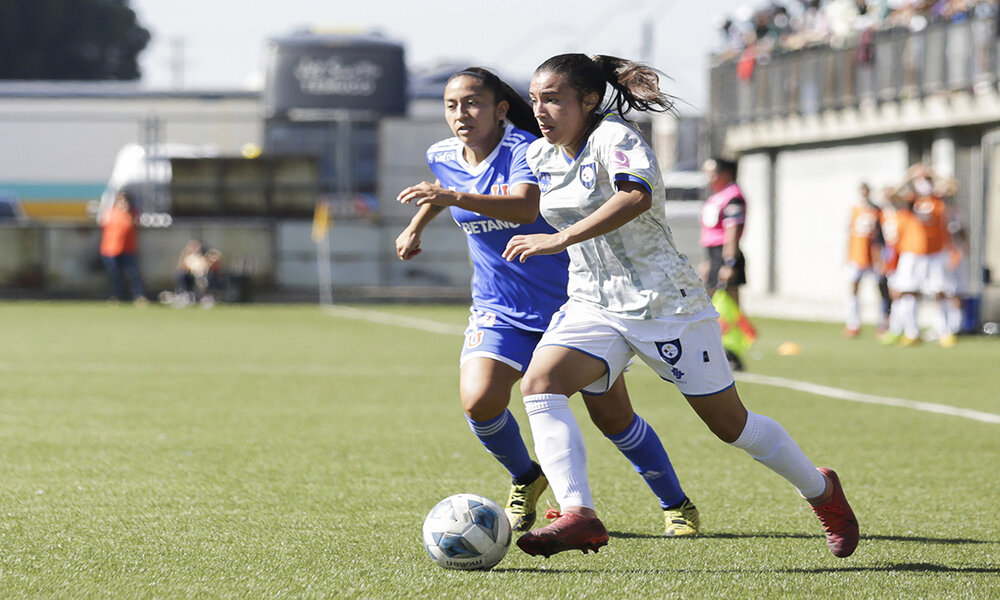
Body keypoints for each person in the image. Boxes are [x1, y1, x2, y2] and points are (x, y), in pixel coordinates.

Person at [502, 53, 858, 559]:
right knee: (540, 385)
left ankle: (822, 491)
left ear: (589, 101)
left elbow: (636, 197)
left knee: (730, 426)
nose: (540, 110)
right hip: (592, 302)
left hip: (665, 304)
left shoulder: (615, 137)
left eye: (554, 99)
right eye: (535, 99)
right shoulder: (541, 155)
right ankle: (579, 514)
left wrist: (560, 239)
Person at [395, 67, 700, 537]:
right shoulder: (442, 155)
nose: (461, 114)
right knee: (479, 402)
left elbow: (524, 207)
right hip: (497, 308)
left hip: (569, 305)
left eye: (473, 103)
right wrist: (416, 225)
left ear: (500, 109)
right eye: (452, 106)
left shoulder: (526, 149)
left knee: (613, 417)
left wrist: (451, 195)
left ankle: (675, 503)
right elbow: (443, 191)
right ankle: (527, 477)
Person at [844, 182, 891, 337]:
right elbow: (850, 233)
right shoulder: (855, 209)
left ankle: (884, 322)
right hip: (857, 255)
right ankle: (853, 323)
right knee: (853, 288)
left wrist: (882, 256)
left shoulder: (877, 210)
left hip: (874, 256)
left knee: (881, 288)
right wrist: (846, 255)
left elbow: (882, 235)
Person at [700, 157, 747, 307]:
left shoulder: (733, 197)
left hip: (726, 254)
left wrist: (729, 263)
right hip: (714, 254)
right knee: (712, 304)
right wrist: (708, 260)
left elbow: (732, 232)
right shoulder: (716, 196)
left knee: (730, 306)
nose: (708, 178)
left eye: (711, 174)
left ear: (726, 174)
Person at [98, 190, 146, 304]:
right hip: (110, 249)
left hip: (128, 249)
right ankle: (117, 296)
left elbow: (137, 226)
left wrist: (129, 214)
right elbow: (102, 225)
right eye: (120, 201)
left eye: (125, 201)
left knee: (133, 274)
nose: (123, 204)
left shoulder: (133, 213)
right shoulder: (110, 213)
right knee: (114, 275)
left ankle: (138, 296)